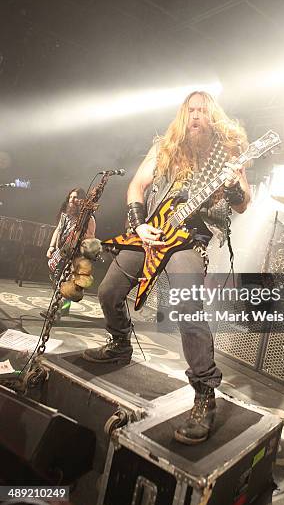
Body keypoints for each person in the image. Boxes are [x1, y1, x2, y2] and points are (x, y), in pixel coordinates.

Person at [83, 91, 250, 444]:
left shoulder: (228, 152)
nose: (196, 116)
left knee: (188, 306)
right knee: (108, 291)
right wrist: (138, 224)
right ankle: (119, 342)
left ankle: (204, 392)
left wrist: (234, 186)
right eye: (191, 110)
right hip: (153, 233)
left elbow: (243, 205)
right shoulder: (166, 146)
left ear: (213, 116)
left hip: (190, 239)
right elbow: (137, 186)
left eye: (203, 111)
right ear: (182, 115)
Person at [45, 188, 96, 317]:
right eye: (71, 197)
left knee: (66, 283)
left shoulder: (88, 218)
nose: (72, 200)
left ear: (82, 201)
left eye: (76, 197)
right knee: (56, 279)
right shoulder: (65, 215)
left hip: (75, 254)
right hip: (60, 251)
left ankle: (55, 312)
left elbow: (91, 237)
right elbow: (58, 229)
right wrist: (51, 246)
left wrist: (79, 235)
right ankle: (64, 309)